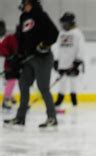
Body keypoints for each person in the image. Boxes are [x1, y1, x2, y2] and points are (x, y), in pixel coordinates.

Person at [4, 0, 59, 128]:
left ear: (30, 3)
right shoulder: (23, 17)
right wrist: (18, 57)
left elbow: (54, 33)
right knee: (23, 84)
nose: (22, 5)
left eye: (24, 3)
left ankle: (52, 118)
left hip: (43, 58)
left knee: (43, 87)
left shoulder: (41, 15)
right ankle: (20, 118)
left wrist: (44, 45)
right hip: (29, 59)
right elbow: (22, 40)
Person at [54, 12, 85, 107]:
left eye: (65, 23)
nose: (63, 25)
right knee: (62, 81)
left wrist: (77, 61)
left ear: (71, 23)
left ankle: (73, 99)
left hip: (72, 63)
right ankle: (60, 98)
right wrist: (56, 60)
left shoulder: (77, 33)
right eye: (62, 23)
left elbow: (81, 48)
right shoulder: (61, 33)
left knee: (73, 81)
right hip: (62, 62)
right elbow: (57, 47)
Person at [0, 20, 19, 110]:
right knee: (10, 81)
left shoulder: (9, 38)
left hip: (6, 65)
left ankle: (9, 97)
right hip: (4, 65)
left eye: (2, 28)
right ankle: (6, 100)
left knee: (10, 81)